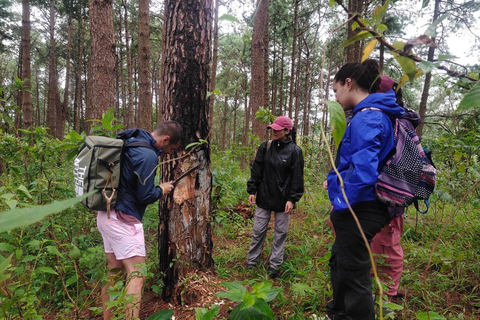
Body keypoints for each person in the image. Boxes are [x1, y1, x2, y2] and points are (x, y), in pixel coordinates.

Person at [325, 61, 405, 320]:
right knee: (342, 264)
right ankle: (337, 313)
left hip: (363, 206)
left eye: (336, 91)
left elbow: (364, 171)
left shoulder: (369, 115)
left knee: (355, 275)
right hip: (361, 205)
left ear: (348, 83)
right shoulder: (369, 113)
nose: (336, 98)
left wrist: (340, 202)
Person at [96, 121, 182, 320]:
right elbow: (144, 195)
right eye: (171, 148)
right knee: (137, 275)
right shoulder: (147, 155)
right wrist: (161, 189)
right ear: (165, 139)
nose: (170, 153)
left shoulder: (132, 141)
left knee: (114, 272)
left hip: (106, 213)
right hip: (124, 220)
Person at [246, 116, 304, 279]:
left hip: (283, 201)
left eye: (278, 129)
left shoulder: (295, 151)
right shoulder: (266, 146)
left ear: (287, 131)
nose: (274, 131)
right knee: (258, 231)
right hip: (264, 197)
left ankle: (274, 266)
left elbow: (297, 177)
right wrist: (252, 190)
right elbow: (257, 169)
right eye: (273, 129)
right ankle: (252, 262)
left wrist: (292, 199)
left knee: (280, 233)